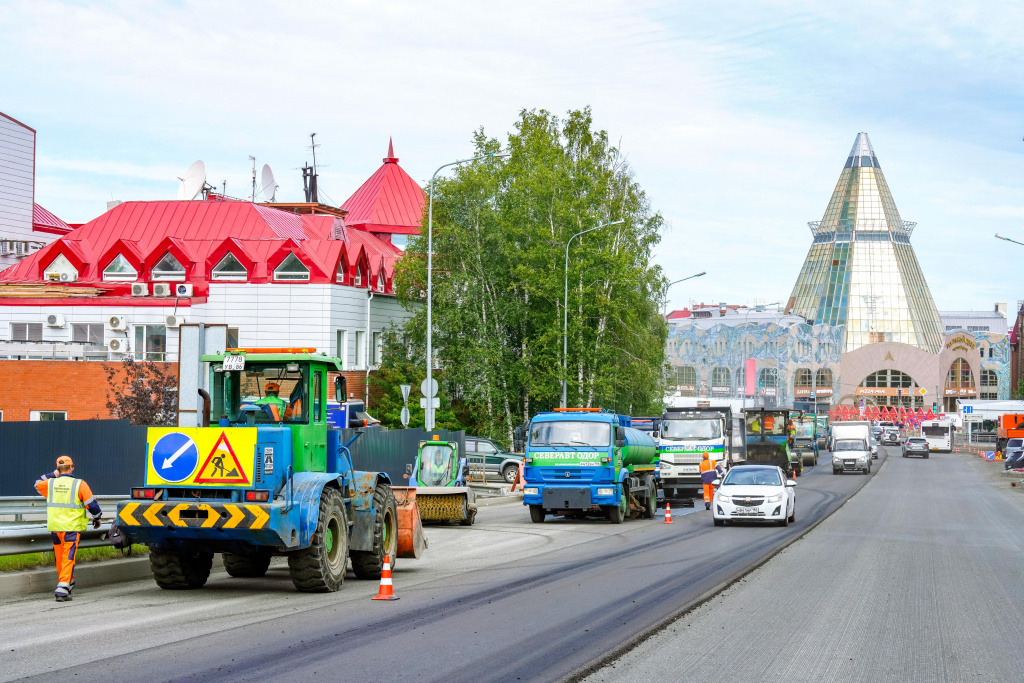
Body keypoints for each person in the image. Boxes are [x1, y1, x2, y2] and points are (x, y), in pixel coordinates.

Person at [33, 456, 102, 602]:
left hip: (55, 527)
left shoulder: (50, 483)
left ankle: (68, 582)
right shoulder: (79, 484)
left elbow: (37, 483)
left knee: (60, 557)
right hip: (71, 527)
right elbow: (91, 504)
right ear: (72, 467)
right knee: (68, 557)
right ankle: (63, 587)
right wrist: (97, 517)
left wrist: (53, 474)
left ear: (58, 469)